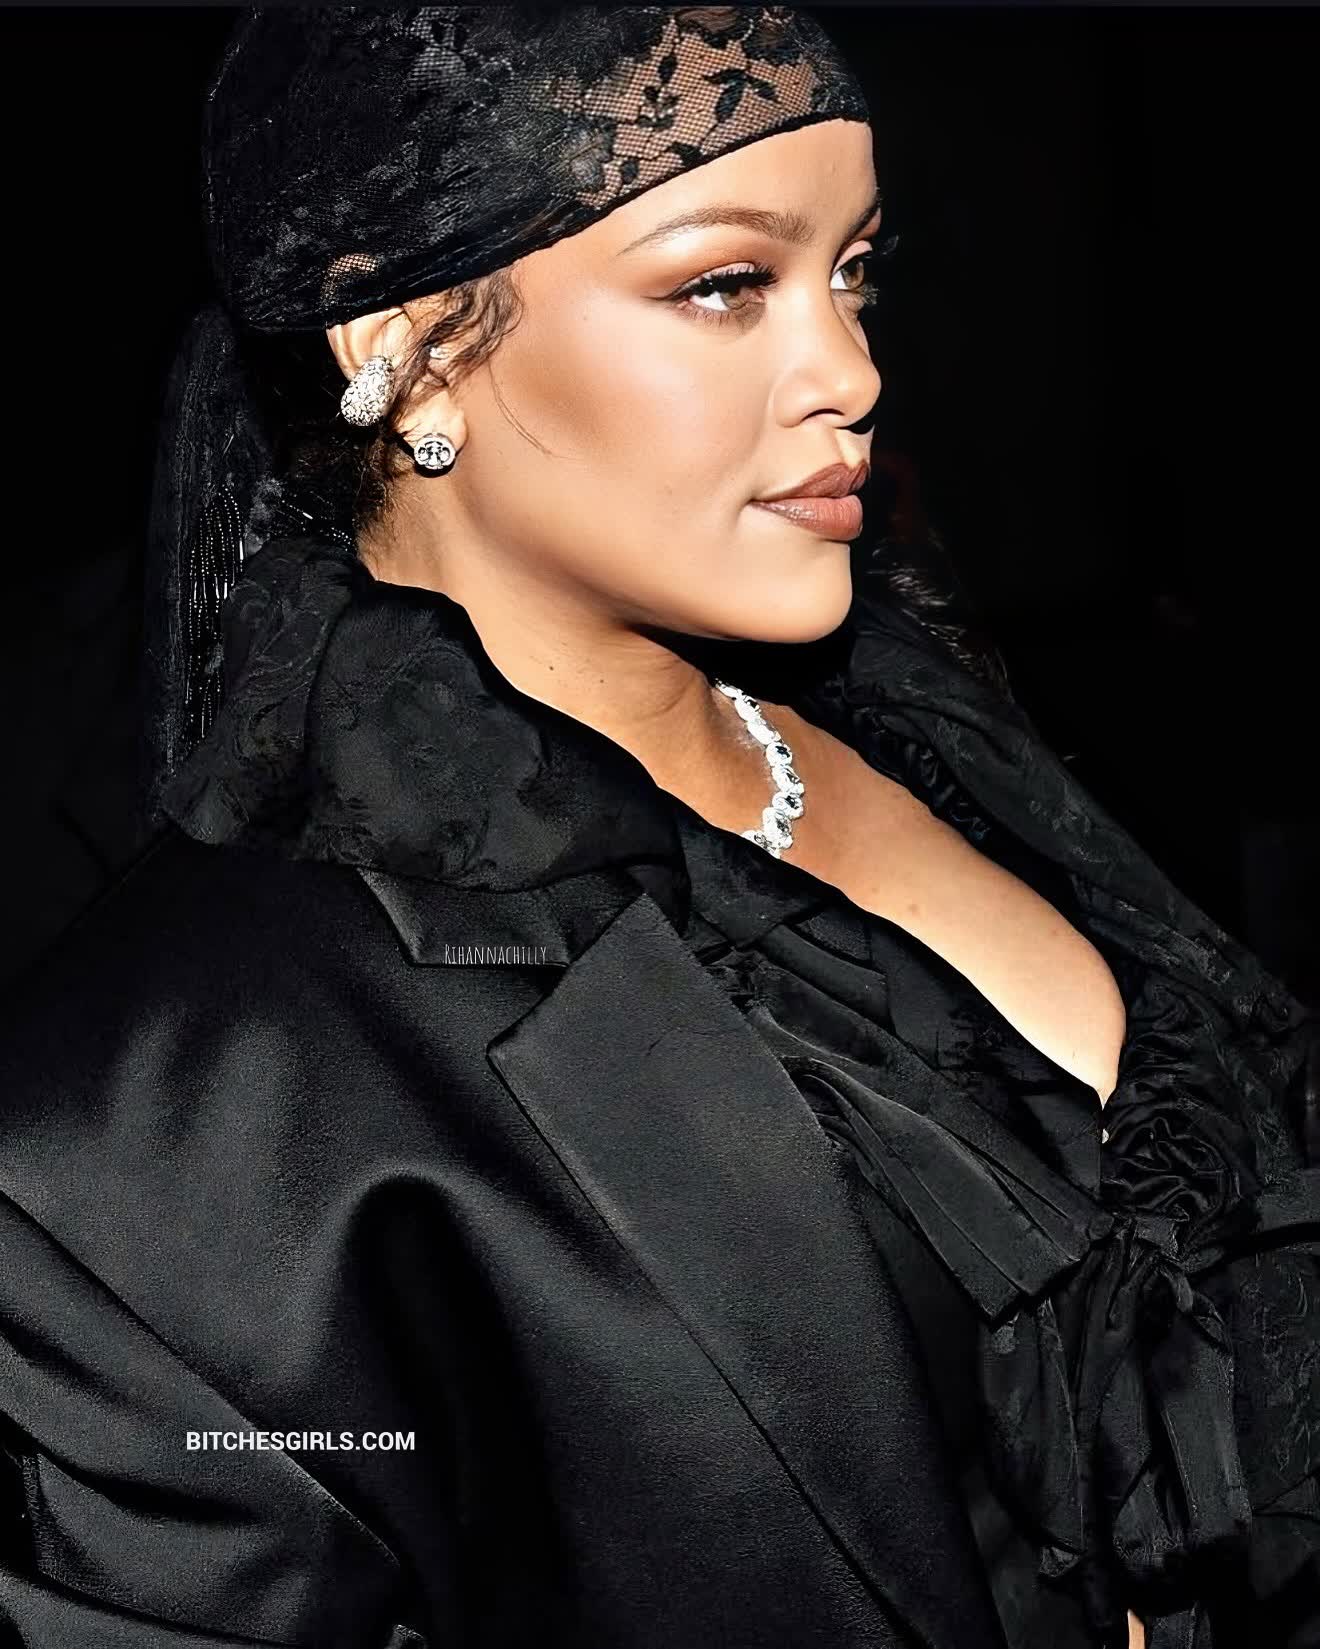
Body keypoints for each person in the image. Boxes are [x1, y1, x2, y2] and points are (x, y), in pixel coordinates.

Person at [0, 8, 1316, 1648]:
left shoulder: (935, 724)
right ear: (402, 342)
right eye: (725, 284)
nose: (854, 372)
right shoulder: (158, 1130)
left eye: (854, 273)